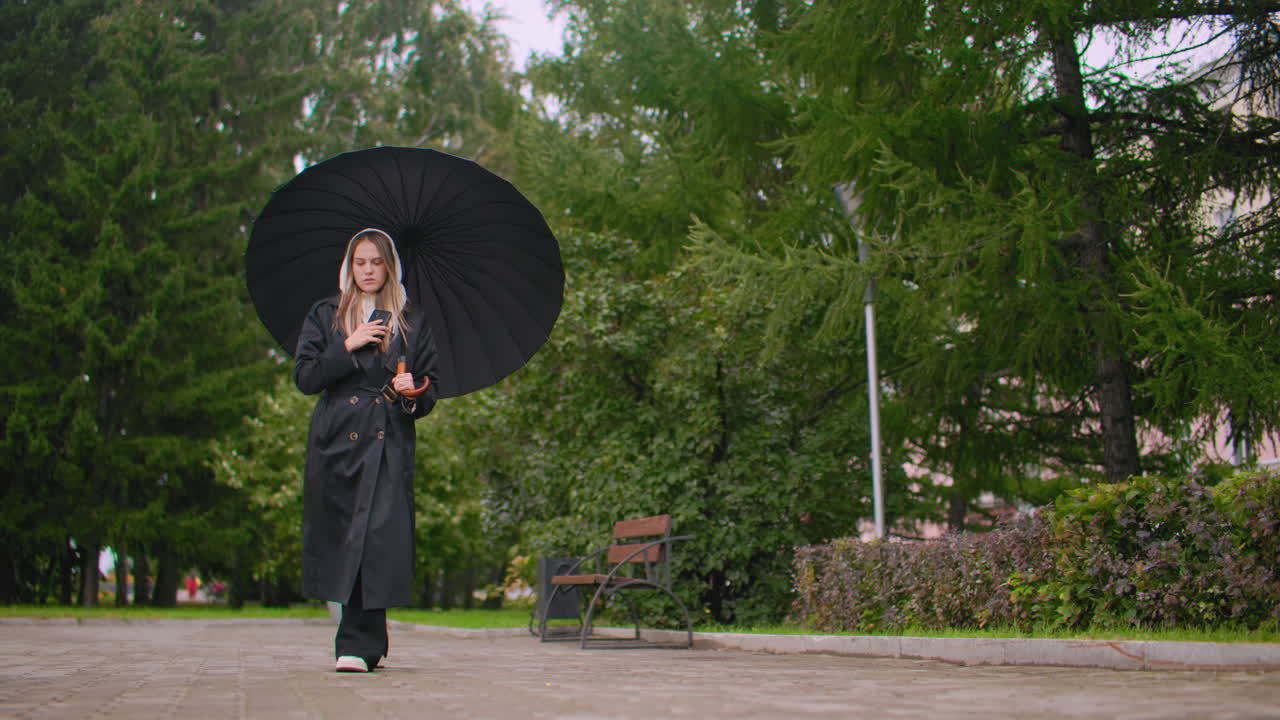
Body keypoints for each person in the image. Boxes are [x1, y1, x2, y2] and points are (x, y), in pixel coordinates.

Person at [294, 228, 440, 673]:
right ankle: (365, 642)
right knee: (346, 538)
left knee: (377, 538)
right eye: (360, 262)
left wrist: (413, 390)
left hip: (387, 440)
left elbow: (430, 388)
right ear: (349, 266)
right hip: (337, 441)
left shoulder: (412, 320)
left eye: (377, 262)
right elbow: (305, 378)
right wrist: (347, 345)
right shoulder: (326, 314)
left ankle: (356, 645)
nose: (368, 270)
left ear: (390, 267)